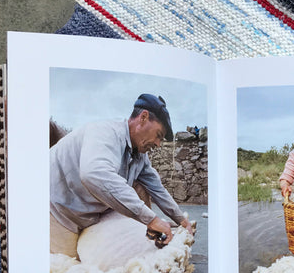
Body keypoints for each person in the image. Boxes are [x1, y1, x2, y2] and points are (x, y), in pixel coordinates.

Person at [50, 93, 193, 258]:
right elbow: (93, 174)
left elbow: (156, 188)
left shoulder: (140, 156)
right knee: (66, 269)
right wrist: (151, 219)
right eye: (158, 135)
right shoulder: (105, 132)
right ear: (143, 118)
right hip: (57, 210)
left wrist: (181, 220)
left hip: (88, 216)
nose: (158, 144)